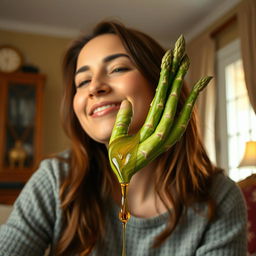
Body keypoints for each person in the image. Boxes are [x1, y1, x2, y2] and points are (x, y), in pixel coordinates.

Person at [0, 20, 247, 256]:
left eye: (118, 68)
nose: (95, 87)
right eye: (83, 81)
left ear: (162, 83)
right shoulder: (56, 180)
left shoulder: (220, 197)